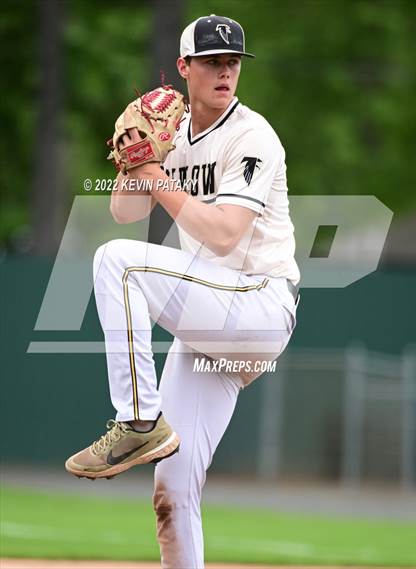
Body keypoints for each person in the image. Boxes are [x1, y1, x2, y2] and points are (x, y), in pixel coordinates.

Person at [66, 14, 300, 569]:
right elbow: (123, 210)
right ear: (184, 68)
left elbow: (222, 235)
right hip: (212, 322)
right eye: (213, 61)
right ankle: (147, 427)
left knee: (116, 264)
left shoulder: (252, 136)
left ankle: (140, 419)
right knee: (171, 496)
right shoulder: (174, 134)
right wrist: (136, 161)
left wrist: (158, 177)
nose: (225, 71)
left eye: (233, 62)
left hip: (259, 303)